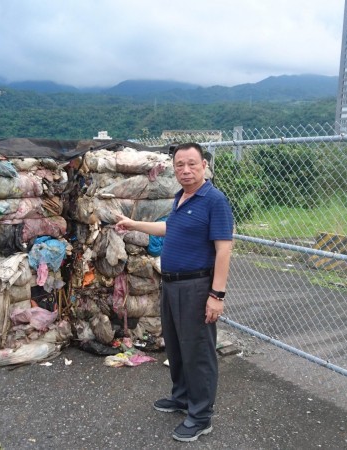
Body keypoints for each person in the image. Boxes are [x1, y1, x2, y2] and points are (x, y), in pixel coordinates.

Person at [115, 142, 234, 442]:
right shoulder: (181, 197)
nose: (186, 169)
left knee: (198, 352)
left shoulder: (214, 200)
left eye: (192, 163)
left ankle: (201, 416)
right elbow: (169, 229)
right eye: (180, 164)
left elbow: (224, 250)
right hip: (171, 284)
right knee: (177, 348)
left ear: (204, 166)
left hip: (196, 287)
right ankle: (181, 398)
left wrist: (216, 295)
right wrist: (132, 224)